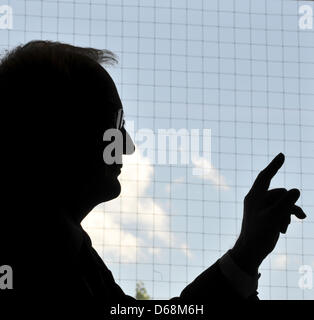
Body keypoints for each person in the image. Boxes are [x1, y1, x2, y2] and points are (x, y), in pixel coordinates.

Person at [0, 41, 306, 311]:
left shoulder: (67, 254)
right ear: (59, 130)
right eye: (113, 125)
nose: (128, 145)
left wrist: (246, 254)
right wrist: (245, 256)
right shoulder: (45, 255)